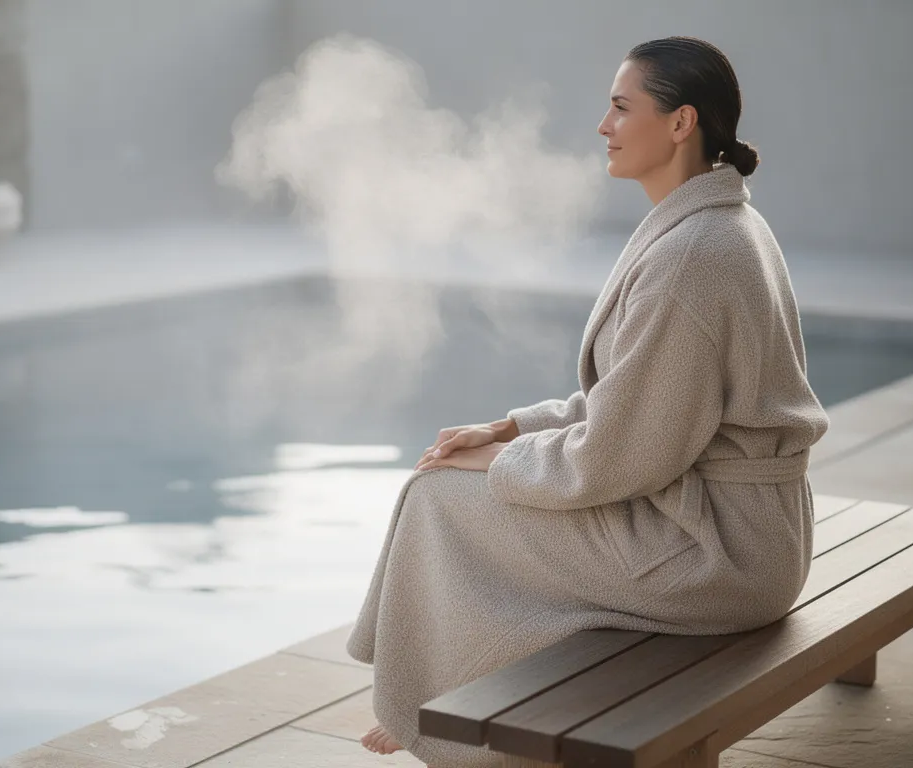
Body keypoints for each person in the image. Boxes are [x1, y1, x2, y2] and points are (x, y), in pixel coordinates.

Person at [351, 36, 829, 767]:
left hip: (719, 556)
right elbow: (638, 397)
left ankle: (424, 705)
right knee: (452, 490)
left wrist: (500, 459)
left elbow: (618, 456)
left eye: (619, 106)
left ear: (680, 123)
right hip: (753, 531)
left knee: (441, 497)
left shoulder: (692, 257)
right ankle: (422, 693)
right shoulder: (717, 224)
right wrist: (512, 425)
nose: (603, 126)